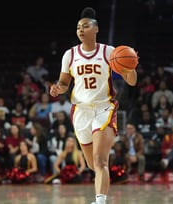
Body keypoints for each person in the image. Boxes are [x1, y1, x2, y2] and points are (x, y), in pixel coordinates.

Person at [49, 7, 137, 204]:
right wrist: (57, 88)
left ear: (95, 29)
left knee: (99, 160)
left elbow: (131, 81)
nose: (81, 29)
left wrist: (130, 67)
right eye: (79, 27)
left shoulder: (110, 52)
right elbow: (64, 84)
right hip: (80, 111)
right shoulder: (69, 55)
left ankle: (100, 201)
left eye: (85, 26)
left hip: (104, 108)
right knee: (91, 163)